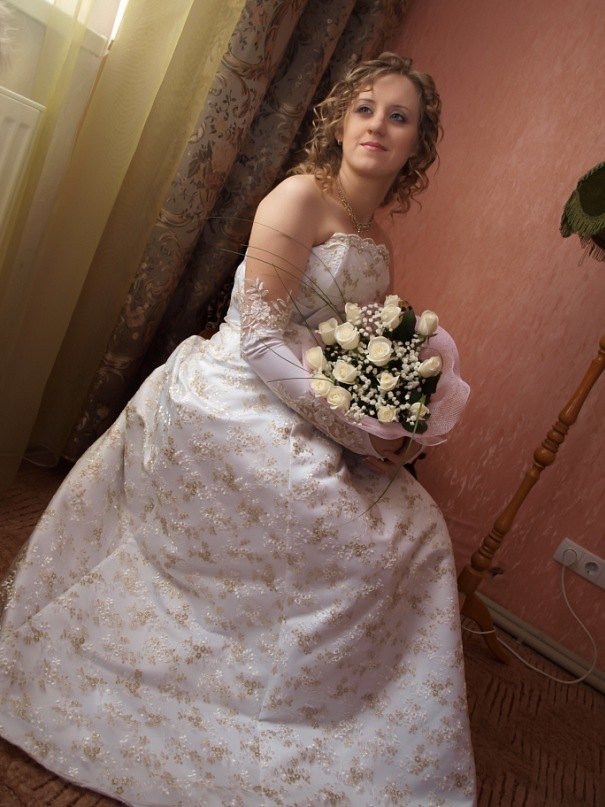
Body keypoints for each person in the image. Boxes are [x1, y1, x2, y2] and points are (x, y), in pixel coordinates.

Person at [0, 53, 476, 806]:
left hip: (309, 396)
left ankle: (326, 701)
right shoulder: (298, 197)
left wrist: (390, 418)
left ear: (417, 143)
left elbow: (345, 348)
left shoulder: (376, 236)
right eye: (364, 109)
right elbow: (259, 341)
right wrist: (356, 433)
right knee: (336, 515)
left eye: (399, 117)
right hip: (233, 389)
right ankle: (233, 679)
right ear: (339, 123)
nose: (377, 126)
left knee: (416, 526)